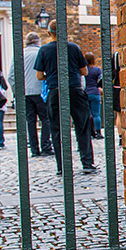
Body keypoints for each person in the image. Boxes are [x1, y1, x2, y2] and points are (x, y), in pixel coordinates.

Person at [35, 18, 96, 176]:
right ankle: (87, 162)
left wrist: (52, 74)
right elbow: (84, 72)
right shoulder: (74, 47)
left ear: (49, 33)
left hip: (55, 91)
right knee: (82, 126)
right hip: (74, 89)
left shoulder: (43, 50)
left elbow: (39, 76)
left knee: (57, 129)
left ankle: (62, 166)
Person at [21, 31, 52, 157]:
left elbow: (12, 76)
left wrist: (17, 90)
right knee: (45, 119)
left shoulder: (20, 54)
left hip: (25, 92)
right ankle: (46, 146)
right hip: (40, 91)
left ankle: (34, 149)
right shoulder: (41, 51)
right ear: (37, 41)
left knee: (30, 120)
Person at [84, 51, 104, 138]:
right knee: (96, 114)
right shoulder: (97, 70)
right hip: (95, 92)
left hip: (85, 93)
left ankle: (89, 132)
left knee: (87, 114)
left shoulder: (84, 70)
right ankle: (98, 132)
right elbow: (100, 81)